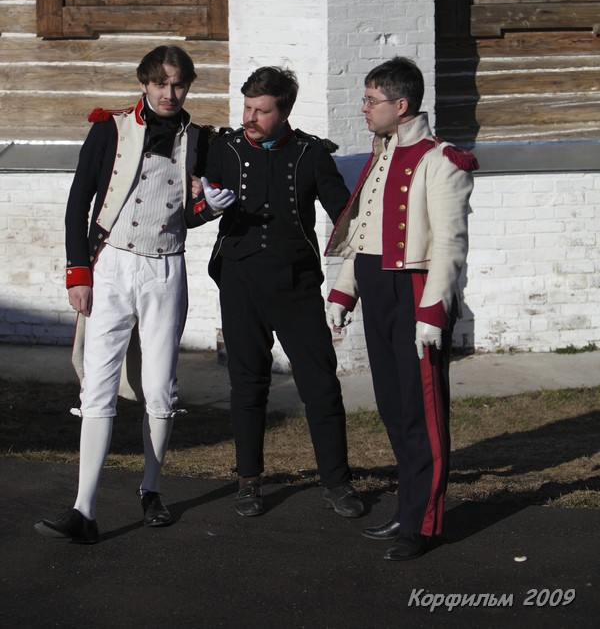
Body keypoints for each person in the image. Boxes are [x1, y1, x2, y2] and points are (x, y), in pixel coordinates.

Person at [35, 44, 223, 544]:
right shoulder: (109, 128)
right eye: (160, 83)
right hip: (112, 265)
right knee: (97, 386)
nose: (169, 93)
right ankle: (84, 510)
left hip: (165, 269)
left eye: (178, 84)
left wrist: (209, 207)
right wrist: (78, 273)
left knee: (160, 388)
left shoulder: (199, 139)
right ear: (144, 83)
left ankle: (151, 489)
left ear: (188, 86)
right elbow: (79, 201)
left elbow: (189, 214)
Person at [189, 66, 363, 519]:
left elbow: (343, 214)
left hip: (295, 285)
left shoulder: (310, 153)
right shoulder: (224, 149)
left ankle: (337, 482)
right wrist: (206, 206)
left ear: (283, 112)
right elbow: (189, 212)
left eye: (261, 111)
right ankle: (248, 481)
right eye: (247, 107)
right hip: (239, 281)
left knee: (320, 385)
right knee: (247, 384)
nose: (250, 117)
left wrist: (363, 253)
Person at [325, 56, 478, 561]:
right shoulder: (382, 153)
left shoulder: (441, 160)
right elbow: (364, 234)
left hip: (415, 292)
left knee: (422, 411)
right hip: (377, 288)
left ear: (402, 104)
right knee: (393, 408)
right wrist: (344, 291)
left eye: (372, 100)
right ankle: (408, 509)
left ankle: (424, 525)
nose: (364, 108)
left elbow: (450, 244)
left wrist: (433, 311)